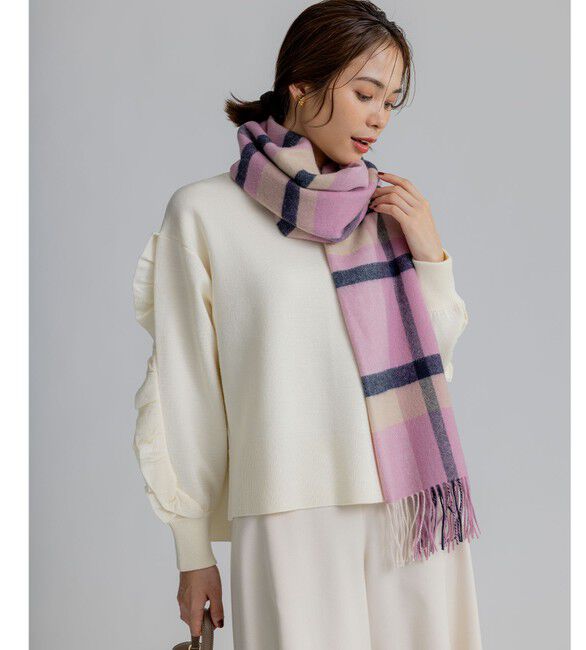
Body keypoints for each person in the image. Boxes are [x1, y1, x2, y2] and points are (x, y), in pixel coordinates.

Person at [132, 1, 483, 648]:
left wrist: (431, 255)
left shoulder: (381, 208)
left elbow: (437, 362)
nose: (379, 117)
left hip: (409, 507)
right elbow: (186, 388)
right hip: (288, 505)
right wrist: (192, 549)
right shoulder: (204, 214)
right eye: (365, 93)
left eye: (391, 102)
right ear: (301, 84)